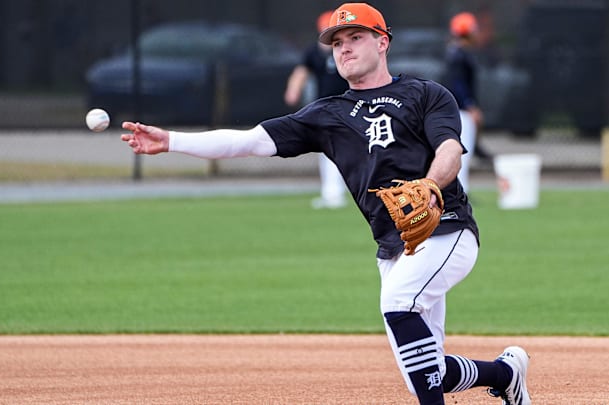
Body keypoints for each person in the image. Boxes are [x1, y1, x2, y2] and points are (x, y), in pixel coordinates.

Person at [121, 3, 530, 404]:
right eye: (337, 42)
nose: (344, 48)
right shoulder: (327, 115)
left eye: (355, 37)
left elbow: (450, 152)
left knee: (397, 303)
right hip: (393, 246)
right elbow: (247, 140)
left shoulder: (426, 94)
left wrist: (429, 185)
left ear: (382, 42)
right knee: (424, 374)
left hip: (447, 229)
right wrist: (172, 140)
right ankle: (506, 374)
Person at [284, 10, 350, 209]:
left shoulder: (350, 50)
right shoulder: (314, 52)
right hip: (326, 108)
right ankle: (332, 194)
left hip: (351, 105)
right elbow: (301, 71)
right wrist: (293, 90)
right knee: (328, 150)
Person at [443, 12, 490, 192]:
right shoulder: (459, 55)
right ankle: (460, 191)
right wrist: (470, 105)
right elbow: (458, 84)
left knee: (464, 150)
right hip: (461, 111)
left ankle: (462, 190)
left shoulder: (456, 52)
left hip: (459, 109)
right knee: (462, 151)